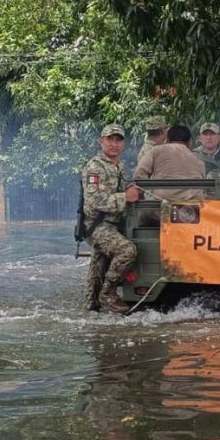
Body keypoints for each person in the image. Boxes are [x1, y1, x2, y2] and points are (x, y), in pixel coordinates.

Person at [82, 124, 142, 314]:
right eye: (110, 139)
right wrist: (126, 197)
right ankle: (108, 293)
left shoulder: (119, 167)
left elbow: (127, 186)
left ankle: (92, 311)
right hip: (97, 225)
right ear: (101, 141)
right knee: (127, 250)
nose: (114, 144)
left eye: (118, 140)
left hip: (114, 225)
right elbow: (95, 200)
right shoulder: (94, 167)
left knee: (97, 271)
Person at [134, 123, 206, 223]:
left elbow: (139, 175)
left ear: (167, 139)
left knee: (143, 213)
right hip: (191, 213)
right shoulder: (199, 160)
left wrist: (143, 199)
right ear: (189, 143)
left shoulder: (156, 150)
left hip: (160, 212)